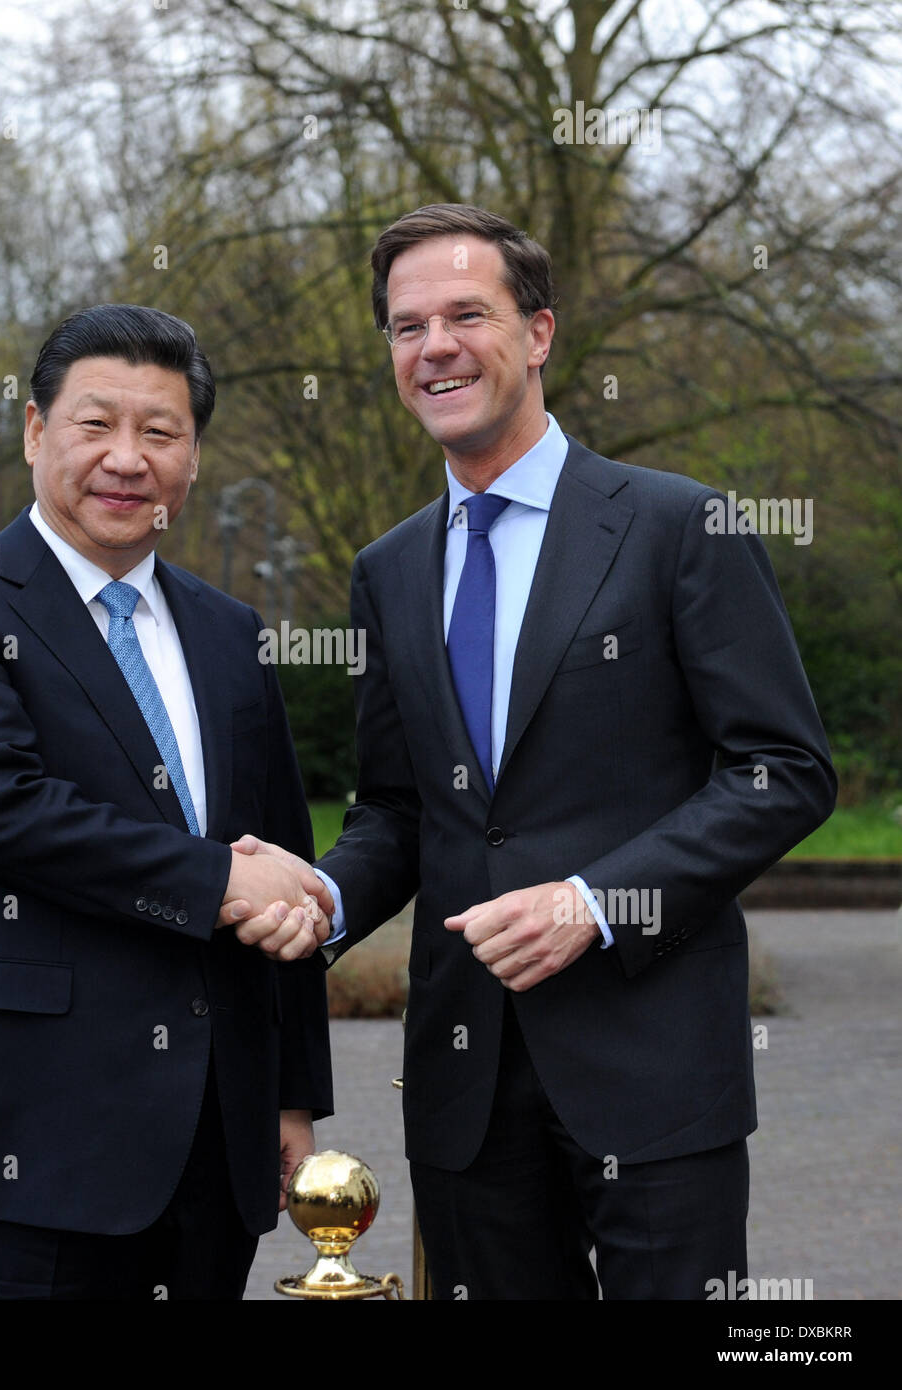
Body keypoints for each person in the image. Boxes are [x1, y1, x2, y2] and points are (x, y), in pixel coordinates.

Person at [232, 204, 837, 1299]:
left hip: (654, 1074)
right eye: (408, 327)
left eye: (468, 313)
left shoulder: (676, 526)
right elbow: (400, 811)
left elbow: (782, 770)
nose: (437, 346)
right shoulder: (390, 567)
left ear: (540, 333)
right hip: (467, 1088)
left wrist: (596, 900)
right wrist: (319, 896)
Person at [0, 303, 334, 1300]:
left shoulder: (230, 632)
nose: (127, 458)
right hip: (26, 1144)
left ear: (194, 457)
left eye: (159, 432)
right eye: (96, 423)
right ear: (37, 431)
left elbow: (283, 859)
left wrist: (295, 1095)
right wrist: (217, 878)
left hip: (218, 1145)